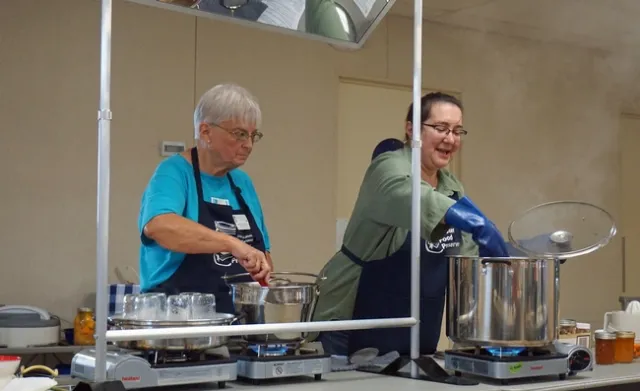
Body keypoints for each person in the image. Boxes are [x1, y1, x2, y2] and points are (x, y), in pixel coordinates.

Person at [311, 92, 509, 356]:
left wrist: (511, 260)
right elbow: (412, 195)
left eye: (457, 130)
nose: (450, 138)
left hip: (419, 322)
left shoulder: (452, 187)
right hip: (353, 318)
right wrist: (473, 221)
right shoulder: (388, 167)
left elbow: (468, 256)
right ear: (411, 128)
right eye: (440, 128)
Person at [137, 83, 272, 314]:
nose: (248, 145)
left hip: (237, 324)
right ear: (206, 132)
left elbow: (264, 256)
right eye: (239, 134)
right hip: (180, 322)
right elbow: (160, 227)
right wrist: (232, 244)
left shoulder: (242, 183)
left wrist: (262, 269)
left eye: (253, 135)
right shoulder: (174, 172)